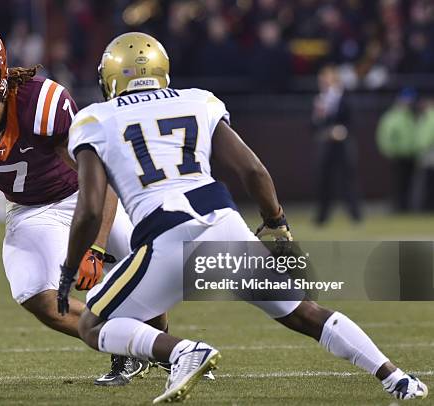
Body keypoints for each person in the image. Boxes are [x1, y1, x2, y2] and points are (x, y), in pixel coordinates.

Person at [57, 32, 428, 403]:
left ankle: (182, 352)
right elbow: (253, 171)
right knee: (303, 313)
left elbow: (91, 208)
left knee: (93, 323)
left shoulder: (94, 118)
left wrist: (69, 270)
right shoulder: (198, 101)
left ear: (110, 77)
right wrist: (276, 222)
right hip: (223, 221)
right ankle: (396, 378)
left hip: (165, 234)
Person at [0, 21, 149, 385]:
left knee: (147, 260)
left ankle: (165, 345)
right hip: (30, 209)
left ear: (0, 71)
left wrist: (96, 245)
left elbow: (101, 180)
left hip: (84, 195)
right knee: (34, 294)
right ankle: (126, 346)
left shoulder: (41, 103)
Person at [311, 65, 361, 225]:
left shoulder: (343, 97)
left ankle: (355, 214)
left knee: (347, 180)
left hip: (343, 145)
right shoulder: (320, 99)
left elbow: (352, 121)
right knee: (324, 180)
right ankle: (322, 216)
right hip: (326, 145)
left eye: (326, 78)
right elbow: (314, 125)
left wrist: (341, 131)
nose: (323, 82)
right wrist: (319, 119)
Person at [376, 87, 419, 212]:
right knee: (398, 183)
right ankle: (398, 208)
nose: (409, 103)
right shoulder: (392, 116)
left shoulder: (411, 115)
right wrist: (388, 150)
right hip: (397, 155)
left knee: (409, 183)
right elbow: (385, 135)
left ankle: (407, 208)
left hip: (410, 154)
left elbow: (414, 134)